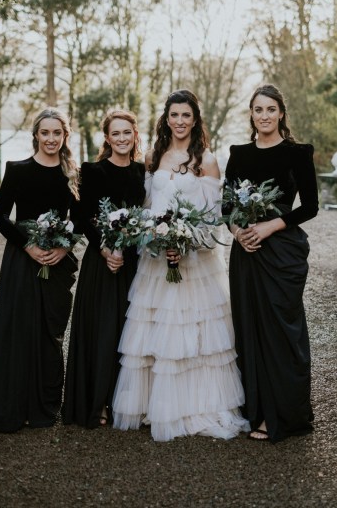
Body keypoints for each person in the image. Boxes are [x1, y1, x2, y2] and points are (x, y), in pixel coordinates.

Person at [112, 89, 249, 442]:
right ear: (166, 118)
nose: (180, 121)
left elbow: (214, 216)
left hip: (195, 261)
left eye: (186, 115)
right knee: (157, 330)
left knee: (195, 334)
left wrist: (185, 242)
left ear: (195, 119)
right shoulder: (154, 156)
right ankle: (154, 405)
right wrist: (156, 238)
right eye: (174, 115)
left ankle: (194, 406)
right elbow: (147, 206)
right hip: (157, 259)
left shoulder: (207, 159)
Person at [223, 84, 319, 443]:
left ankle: (285, 415)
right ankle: (257, 410)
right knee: (249, 329)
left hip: (281, 253)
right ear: (251, 114)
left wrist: (268, 226)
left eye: (270, 109)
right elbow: (226, 206)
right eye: (258, 109)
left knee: (282, 330)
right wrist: (238, 231)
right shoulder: (239, 153)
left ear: (281, 113)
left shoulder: (297, 154)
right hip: (246, 253)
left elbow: (309, 206)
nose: (264, 115)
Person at [0, 108, 79, 432]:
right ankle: (12, 404)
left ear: (64, 136)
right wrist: (28, 245)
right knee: (18, 330)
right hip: (22, 260)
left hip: (56, 263)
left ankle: (44, 407)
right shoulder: (17, 170)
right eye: (44, 133)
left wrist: (63, 247)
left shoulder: (72, 174)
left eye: (56, 133)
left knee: (50, 333)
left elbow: (80, 217)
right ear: (35, 135)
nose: (50, 139)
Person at [62, 109, 145, 428]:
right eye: (116, 133)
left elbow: (146, 214)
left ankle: (124, 401)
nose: (122, 138)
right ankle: (97, 403)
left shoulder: (142, 172)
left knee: (129, 331)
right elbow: (82, 218)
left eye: (128, 133)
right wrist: (108, 249)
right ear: (107, 138)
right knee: (102, 330)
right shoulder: (92, 170)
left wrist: (129, 245)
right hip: (102, 261)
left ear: (135, 135)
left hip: (134, 262)